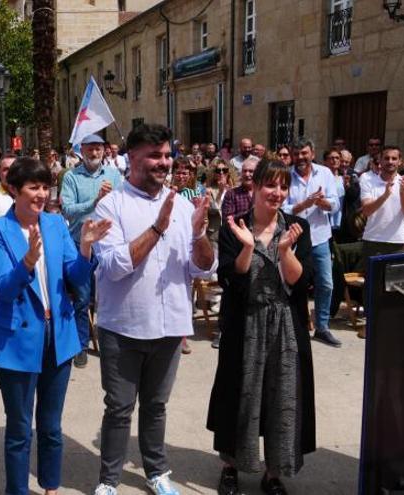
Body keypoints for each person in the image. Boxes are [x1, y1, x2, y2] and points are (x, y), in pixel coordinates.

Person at [91, 124, 214, 495]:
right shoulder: (110, 205)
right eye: (154, 156)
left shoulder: (184, 205)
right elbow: (113, 266)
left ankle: (157, 471)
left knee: (156, 406)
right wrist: (158, 228)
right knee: (119, 408)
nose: (164, 163)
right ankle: (109, 480)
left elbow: (204, 268)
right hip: (122, 328)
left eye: (166, 155)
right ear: (132, 158)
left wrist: (200, 235)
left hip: (170, 326)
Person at [0, 157, 111, 495]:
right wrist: (27, 260)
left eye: (45, 187)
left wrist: (85, 248)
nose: (41, 194)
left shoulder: (55, 224)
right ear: (13, 189)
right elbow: (4, 289)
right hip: (18, 340)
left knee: (51, 427)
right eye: (33, 187)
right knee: (20, 429)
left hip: (59, 336)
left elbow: (77, 279)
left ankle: (51, 486)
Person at [208, 159, 316, 495]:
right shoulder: (233, 227)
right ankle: (231, 467)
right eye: (271, 185)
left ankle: (274, 473)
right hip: (246, 323)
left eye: (284, 186)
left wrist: (285, 251)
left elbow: (302, 283)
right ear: (254, 187)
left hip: (285, 324)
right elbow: (230, 278)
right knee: (241, 396)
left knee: (282, 398)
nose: (278, 193)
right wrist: (248, 247)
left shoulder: (297, 226)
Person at [60, 134, 123, 368]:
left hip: (107, 245)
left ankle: (107, 345)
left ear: (104, 151)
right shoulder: (71, 177)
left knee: (107, 298)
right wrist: (94, 202)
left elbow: (123, 207)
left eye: (98, 149)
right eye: (89, 149)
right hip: (81, 246)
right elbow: (67, 209)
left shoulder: (114, 176)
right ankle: (81, 345)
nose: (94, 153)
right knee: (82, 299)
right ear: (81, 151)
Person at [283, 138, 341, 348]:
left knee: (326, 283)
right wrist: (304, 204)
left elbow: (334, 205)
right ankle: (296, 326)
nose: (300, 158)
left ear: (312, 153)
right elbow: (283, 209)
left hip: (320, 238)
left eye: (304, 153)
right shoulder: (286, 176)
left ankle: (322, 327)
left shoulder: (325, 173)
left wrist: (321, 203)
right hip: (295, 240)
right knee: (295, 285)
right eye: (297, 154)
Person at [360, 146, 404, 259]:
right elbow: (366, 211)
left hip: (399, 241)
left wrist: (402, 192)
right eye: (386, 158)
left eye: (394, 158)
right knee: (372, 277)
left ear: (400, 161)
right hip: (373, 240)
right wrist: (385, 195)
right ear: (380, 160)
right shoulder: (367, 179)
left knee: (397, 277)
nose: (390, 161)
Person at [222, 156, 259, 221]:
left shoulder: (263, 192)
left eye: (251, 171)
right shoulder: (231, 194)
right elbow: (227, 219)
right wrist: (249, 214)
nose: (247, 174)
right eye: (244, 171)